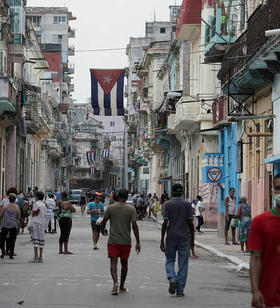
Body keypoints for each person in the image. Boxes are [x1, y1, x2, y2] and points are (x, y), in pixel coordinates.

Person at [248, 173, 280, 308]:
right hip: (268, 299)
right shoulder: (260, 222)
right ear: (273, 190)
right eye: (278, 188)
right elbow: (255, 258)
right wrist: (255, 291)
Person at [101, 189, 141, 295]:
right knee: (124, 264)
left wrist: (102, 230)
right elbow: (134, 226)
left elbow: (103, 221)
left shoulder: (110, 208)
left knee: (113, 263)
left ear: (117, 197)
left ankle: (115, 283)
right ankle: (122, 286)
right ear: (126, 197)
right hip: (125, 241)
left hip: (113, 240)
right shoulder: (131, 209)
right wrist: (138, 242)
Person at [160, 183, 195, 297]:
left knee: (170, 260)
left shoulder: (168, 204)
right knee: (183, 263)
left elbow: (165, 223)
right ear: (182, 192)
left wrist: (162, 239)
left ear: (172, 192)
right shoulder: (187, 204)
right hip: (184, 237)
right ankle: (180, 290)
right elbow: (190, 223)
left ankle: (172, 278)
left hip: (171, 237)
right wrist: (192, 239)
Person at [0, 193, 21, 259]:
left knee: (2, 239)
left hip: (5, 224)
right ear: (15, 200)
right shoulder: (17, 207)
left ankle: (3, 253)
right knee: (12, 240)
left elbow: (1, 215)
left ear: (9, 199)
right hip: (13, 225)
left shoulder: (5, 206)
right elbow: (19, 217)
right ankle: (11, 254)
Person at [30, 191, 46, 263]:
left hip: (36, 222)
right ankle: (41, 256)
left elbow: (33, 214)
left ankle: (36, 256)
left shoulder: (36, 204)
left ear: (37, 197)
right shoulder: (43, 204)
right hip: (42, 223)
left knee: (35, 239)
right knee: (41, 239)